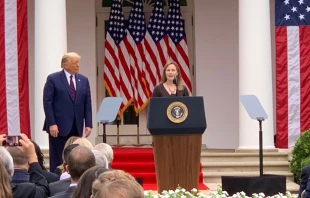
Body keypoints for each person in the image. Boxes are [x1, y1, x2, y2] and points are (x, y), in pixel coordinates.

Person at [43, 52, 93, 173]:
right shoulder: (53, 79)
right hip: (58, 126)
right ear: (66, 65)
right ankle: (57, 179)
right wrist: (52, 123)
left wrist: (88, 124)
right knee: (57, 156)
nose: (78, 65)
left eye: (78, 62)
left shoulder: (84, 80)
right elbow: (47, 103)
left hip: (76, 124)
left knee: (75, 154)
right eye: (75, 63)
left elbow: (87, 103)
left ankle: (74, 176)